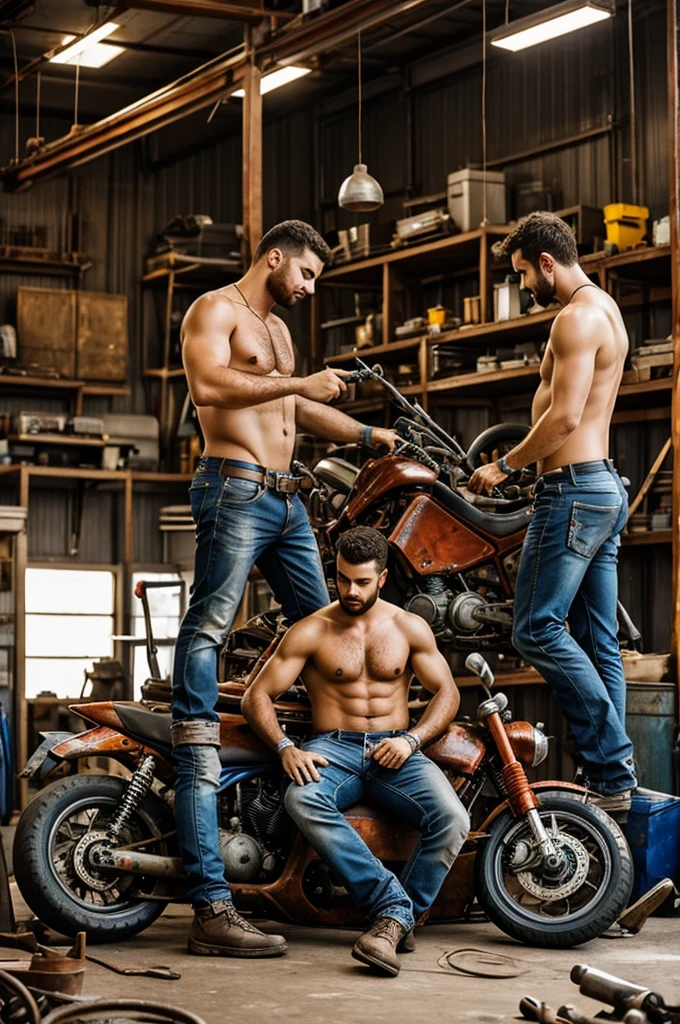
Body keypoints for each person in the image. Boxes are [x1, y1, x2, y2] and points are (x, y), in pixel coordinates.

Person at [173, 220, 400, 958]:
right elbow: (211, 386)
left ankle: (315, 755)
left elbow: (292, 409)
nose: (309, 289)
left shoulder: (276, 332)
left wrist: (366, 436)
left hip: (285, 499)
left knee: (330, 625)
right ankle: (196, 721)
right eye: (305, 274)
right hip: (233, 487)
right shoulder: (215, 311)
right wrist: (300, 382)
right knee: (209, 624)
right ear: (275, 257)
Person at [241, 526, 470, 977]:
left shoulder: (408, 626)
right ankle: (393, 910)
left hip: (397, 748)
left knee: (454, 819)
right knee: (301, 798)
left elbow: (447, 692)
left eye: (362, 582)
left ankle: (394, 920)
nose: (350, 590)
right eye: (343, 579)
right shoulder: (312, 630)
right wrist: (286, 747)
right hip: (334, 748)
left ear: (381, 579)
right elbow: (256, 696)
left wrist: (412, 740)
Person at [468, 211, 636, 816]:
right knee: (598, 640)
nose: (524, 289)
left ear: (545, 262)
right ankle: (614, 783)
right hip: (602, 488)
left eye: (522, 275)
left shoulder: (574, 319)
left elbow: (564, 419)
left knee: (535, 628)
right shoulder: (607, 309)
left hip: (572, 491)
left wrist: (505, 466)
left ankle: (612, 767)